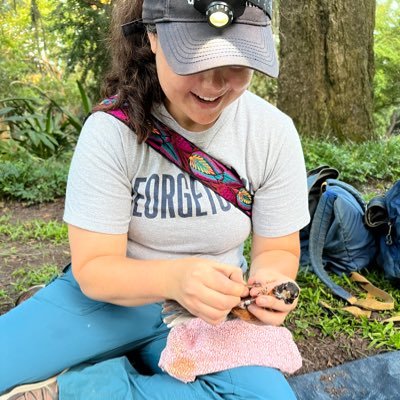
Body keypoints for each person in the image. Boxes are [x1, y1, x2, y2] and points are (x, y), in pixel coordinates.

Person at [0, 0, 310, 398]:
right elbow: (94, 267)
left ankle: (80, 387)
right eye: (194, 58)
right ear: (153, 38)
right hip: (112, 299)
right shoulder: (111, 132)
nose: (213, 85)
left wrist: (272, 281)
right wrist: (176, 280)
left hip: (209, 314)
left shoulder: (272, 133)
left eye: (236, 61)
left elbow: (279, 249)